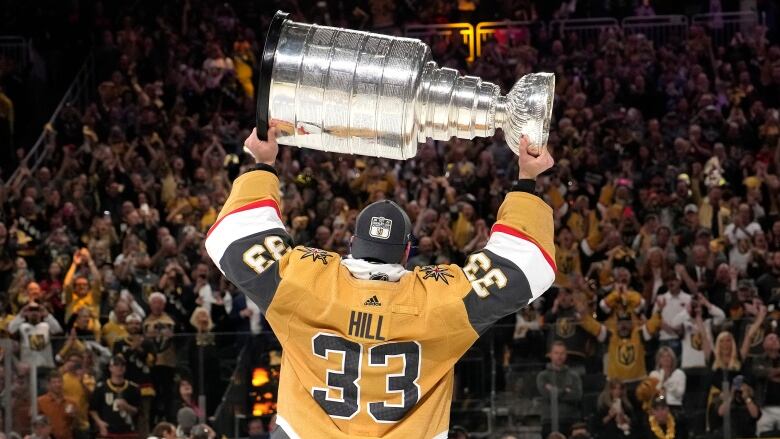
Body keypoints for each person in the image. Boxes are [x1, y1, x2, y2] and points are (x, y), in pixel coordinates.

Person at [205, 126, 555, 437]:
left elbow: (232, 240)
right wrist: (526, 181)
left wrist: (263, 164)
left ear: (352, 243)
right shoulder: (442, 300)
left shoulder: (302, 281)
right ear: (405, 253)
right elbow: (526, 266)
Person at [536, 342, 583, 437]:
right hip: (548, 421)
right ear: (550, 355)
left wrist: (554, 390)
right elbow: (546, 394)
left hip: (570, 421)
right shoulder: (543, 376)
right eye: (556, 353)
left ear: (566, 355)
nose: (559, 356)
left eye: (562, 353)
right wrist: (565, 390)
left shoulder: (574, 376)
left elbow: (577, 396)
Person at [89, 355, 141, 438]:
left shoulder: (133, 388)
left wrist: (127, 407)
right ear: (110, 368)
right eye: (116, 365)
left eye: (122, 365)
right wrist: (100, 423)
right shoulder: (101, 388)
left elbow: (138, 411)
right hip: (108, 432)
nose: (119, 367)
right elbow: (93, 409)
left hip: (128, 432)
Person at [751, 333, 780, 436]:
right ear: (764, 344)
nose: (774, 340)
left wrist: (769, 373)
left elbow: (765, 372)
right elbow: (758, 372)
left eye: (776, 338)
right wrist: (774, 372)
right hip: (764, 408)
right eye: (770, 338)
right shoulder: (757, 359)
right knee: (763, 433)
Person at [37, 371, 75, 439]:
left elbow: (72, 423)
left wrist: (73, 415)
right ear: (48, 384)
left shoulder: (71, 402)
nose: (58, 384)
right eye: (54, 382)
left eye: (60, 382)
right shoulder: (40, 401)